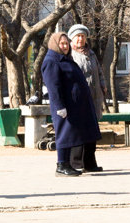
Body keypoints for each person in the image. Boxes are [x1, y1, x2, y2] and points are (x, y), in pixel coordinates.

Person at [41, 31, 102, 177]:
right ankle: (61, 165)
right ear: (55, 44)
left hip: (76, 105)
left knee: (75, 134)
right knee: (64, 135)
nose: (65, 46)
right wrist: (60, 107)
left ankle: (80, 164)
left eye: (66, 44)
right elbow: (53, 87)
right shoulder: (51, 61)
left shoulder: (66, 59)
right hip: (64, 106)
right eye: (61, 44)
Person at [66, 24, 104, 171]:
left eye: (83, 36)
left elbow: (99, 71)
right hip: (79, 99)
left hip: (94, 98)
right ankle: (76, 163)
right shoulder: (70, 55)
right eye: (78, 36)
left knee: (92, 130)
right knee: (79, 131)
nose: (80, 39)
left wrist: (103, 85)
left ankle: (90, 163)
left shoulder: (91, 53)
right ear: (72, 38)